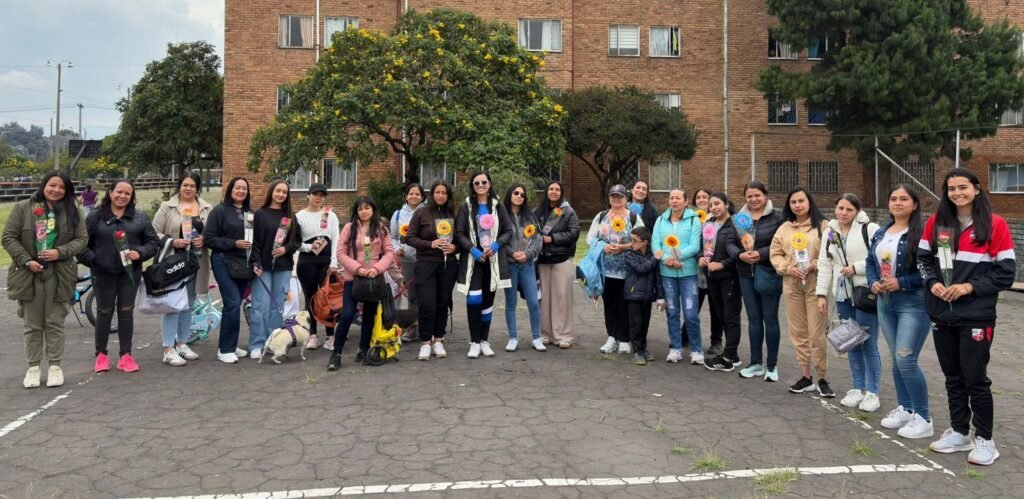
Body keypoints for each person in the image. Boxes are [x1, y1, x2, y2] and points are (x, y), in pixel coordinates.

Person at [919, 169, 1015, 465]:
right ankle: (960, 432)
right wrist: (932, 283)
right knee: (953, 377)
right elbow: (923, 260)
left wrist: (967, 287)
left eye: (963, 187)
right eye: (951, 189)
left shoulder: (995, 224)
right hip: (941, 313)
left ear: (976, 188)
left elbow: (1006, 273)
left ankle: (985, 440)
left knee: (975, 379)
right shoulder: (937, 223)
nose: (957, 193)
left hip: (976, 316)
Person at [3, 171, 87, 388]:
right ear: (44, 185)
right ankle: (33, 368)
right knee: (32, 324)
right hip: (28, 273)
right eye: (52, 185)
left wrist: (60, 252)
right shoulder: (23, 208)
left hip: (59, 274)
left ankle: (55, 367)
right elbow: (9, 237)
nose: (56, 190)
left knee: (55, 322)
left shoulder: (73, 210)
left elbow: (81, 239)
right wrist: (26, 260)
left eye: (62, 187)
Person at [866, 186, 934, 440]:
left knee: (906, 358)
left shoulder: (923, 234)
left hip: (912, 303)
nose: (897, 202)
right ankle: (906, 409)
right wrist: (873, 282)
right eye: (893, 198)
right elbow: (871, 262)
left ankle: (924, 418)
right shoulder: (881, 232)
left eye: (904, 199)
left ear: (914, 204)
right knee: (896, 358)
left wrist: (902, 282)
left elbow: (930, 269)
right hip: (885, 302)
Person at [78, 179, 160, 373]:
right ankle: (101, 355)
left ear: (132, 196)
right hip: (102, 274)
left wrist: (139, 253)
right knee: (104, 312)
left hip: (129, 274)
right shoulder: (95, 217)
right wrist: (96, 260)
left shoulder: (139, 217)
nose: (122, 196)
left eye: (127, 193)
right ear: (110, 192)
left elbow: (153, 242)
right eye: (119, 192)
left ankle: (126, 356)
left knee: (126, 311)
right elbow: (81, 247)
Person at [816, 193, 881, 410]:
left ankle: (872, 392)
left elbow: (879, 258)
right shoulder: (830, 231)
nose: (843, 213)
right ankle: (858, 388)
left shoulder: (869, 229)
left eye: (849, 209)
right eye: (840, 208)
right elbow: (825, 264)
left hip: (865, 293)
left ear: (857, 211)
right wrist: (821, 294)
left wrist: (856, 268)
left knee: (868, 342)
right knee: (851, 341)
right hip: (842, 294)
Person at [770, 187, 833, 397]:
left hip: (816, 285)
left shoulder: (824, 226)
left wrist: (814, 264)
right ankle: (806, 377)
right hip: (792, 285)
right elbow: (775, 254)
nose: (797, 205)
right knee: (798, 333)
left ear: (809, 202)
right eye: (793, 202)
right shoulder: (784, 228)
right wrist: (788, 268)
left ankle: (822, 377)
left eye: (801, 201)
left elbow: (831, 252)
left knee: (817, 334)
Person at [328, 196, 396, 370]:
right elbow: (341, 253)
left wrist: (377, 268)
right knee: (347, 315)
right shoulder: (349, 228)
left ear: (373, 210)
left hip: (373, 280)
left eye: (367, 208)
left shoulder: (381, 229)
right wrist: (357, 268)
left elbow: (389, 253)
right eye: (360, 209)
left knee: (369, 316)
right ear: (356, 211)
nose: (364, 212)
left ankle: (363, 350)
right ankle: (336, 354)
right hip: (353, 279)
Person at [152, 172, 212, 366]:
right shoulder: (167, 207)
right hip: (173, 262)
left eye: (192, 186)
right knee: (173, 304)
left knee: (188, 303)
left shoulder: (206, 208)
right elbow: (153, 231)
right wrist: (172, 241)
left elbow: (212, 233)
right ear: (179, 186)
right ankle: (168, 348)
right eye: (185, 185)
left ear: (197, 188)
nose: (188, 188)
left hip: (196, 262)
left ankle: (182, 343)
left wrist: (204, 239)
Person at [727, 181, 784, 381]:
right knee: (753, 319)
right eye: (749, 196)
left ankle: (772, 365)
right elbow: (730, 242)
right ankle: (756, 362)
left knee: (770, 319)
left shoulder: (778, 216)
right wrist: (739, 255)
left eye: (757, 195)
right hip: (745, 273)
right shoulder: (739, 219)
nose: (753, 199)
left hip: (768, 273)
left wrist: (761, 254)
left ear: (765, 195)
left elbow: (781, 243)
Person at [455, 171, 513, 359]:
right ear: (472, 186)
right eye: (477, 183)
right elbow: (459, 233)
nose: (480, 185)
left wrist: (496, 246)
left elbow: (508, 230)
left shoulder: (498, 206)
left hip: (492, 260)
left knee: (487, 302)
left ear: (490, 184)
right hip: (474, 259)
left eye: (484, 182)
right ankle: (474, 342)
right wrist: (472, 249)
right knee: (474, 299)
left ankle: (484, 341)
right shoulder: (466, 206)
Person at [405, 180, 459, 360]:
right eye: (437, 192)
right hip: (425, 264)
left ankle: (438, 340)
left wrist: (455, 248)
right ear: (432, 194)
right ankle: (425, 342)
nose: (440, 195)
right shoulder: (421, 212)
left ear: (448, 195)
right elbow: (410, 238)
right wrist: (430, 243)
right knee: (427, 304)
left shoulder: (453, 214)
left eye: (444, 192)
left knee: (443, 302)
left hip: (448, 264)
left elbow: (461, 238)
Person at [202, 176, 253, 364]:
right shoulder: (219, 211)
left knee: (235, 304)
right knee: (232, 302)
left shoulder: (249, 213)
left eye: (244, 188)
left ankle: (231, 343)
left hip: (243, 265)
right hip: (223, 261)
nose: (241, 191)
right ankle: (225, 349)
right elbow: (209, 238)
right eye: (237, 187)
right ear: (230, 190)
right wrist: (234, 243)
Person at [588, 184, 644, 355]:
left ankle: (625, 339)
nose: (616, 199)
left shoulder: (633, 217)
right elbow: (590, 238)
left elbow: (642, 239)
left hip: (627, 270)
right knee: (610, 304)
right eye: (613, 196)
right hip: (606, 270)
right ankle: (612, 336)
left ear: (626, 199)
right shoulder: (601, 216)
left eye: (620, 196)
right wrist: (603, 246)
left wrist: (624, 247)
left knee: (625, 304)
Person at [249, 179, 300, 360]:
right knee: (260, 306)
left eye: (284, 192)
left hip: (283, 267)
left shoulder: (290, 216)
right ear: (271, 191)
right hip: (262, 267)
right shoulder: (260, 214)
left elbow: (297, 241)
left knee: (277, 307)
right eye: (278, 191)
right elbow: (254, 241)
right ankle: (257, 343)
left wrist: (286, 249)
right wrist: (256, 262)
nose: (281, 194)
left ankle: (273, 343)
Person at [651, 188, 702, 364]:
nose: (674, 201)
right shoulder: (660, 220)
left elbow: (695, 246)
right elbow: (655, 245)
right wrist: (667, 260)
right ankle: (675, 348)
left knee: (691, 314)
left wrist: (675, 257)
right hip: (667, 273)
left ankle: (696, 350)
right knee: (672, 312)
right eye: (671, 198)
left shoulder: (694, 220)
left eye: (678, 198)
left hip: (689, 273)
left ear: (685, 201)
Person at [533, 181, 580, 349]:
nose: (554, 192)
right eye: (551, 189)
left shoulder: (568, 212)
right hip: (542, 261)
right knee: (544, 299)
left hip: (561, 259)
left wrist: (552, 238)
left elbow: (574, 233)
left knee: (562, 298)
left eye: (557, 189)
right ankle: (545, 333)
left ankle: (563, 335)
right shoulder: (537, 211)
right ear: (546, 191)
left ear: (561, 192)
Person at [700, 192, 743, 372]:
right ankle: (733, 354)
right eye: (711, 205)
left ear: (726, 204)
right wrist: (701, 258)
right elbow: (702, 246)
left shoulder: (736, 224)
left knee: (731, 317)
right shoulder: (708, 224)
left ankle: (727, 359)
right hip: (712, 277)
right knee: (721, 315)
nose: (714, 207)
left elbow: (742, 251)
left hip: (729, 277)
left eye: (717, 203)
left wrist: (722, 264)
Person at [295, 183, 340, 350]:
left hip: (326, 261)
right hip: (307, 262)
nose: (318, 198)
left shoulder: (330, 215)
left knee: (328, 298)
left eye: (322, 195)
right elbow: (294, 242)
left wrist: (334, 262)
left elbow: (336, 239)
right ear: (308, 195)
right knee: (311, 298)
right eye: (315, 194)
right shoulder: (299, 216)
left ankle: (330, 335)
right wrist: (309, 247)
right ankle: (313, 334)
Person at [501, 184, 542, 352]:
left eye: (522, 194)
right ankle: (512, 337)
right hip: (510, 265)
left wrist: (527, 254)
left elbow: (538, 239)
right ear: (510, 194)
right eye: (516, 193)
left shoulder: (530, 217)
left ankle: (536, 337)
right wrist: (512, 253)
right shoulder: (502, 216)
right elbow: (498, 240)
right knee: (511, 303)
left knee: (533, 301)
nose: (519, 196)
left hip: (527, 265)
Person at [686, 188, 721, 356]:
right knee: (692, 306)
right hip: (696, 271)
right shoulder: (691, 218)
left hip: (714, 270)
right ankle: (685, 335)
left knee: (716, 309)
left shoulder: (717, 219)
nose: (701, 200)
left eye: (705, 197)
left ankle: (716, 341)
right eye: (698, 197)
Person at [390, 183, 424, 342]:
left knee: (427, 295)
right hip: (407, 260)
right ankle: (413, 327)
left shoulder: (427, 212)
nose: (414, 196)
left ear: (422, 197)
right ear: (406, 196)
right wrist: (397, 249)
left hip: (426, 259)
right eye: (411, 194)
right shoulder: (398, 214)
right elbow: (393, 237)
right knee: (411, 296)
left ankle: (427, 327)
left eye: (417, 194)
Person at [623, 226, 660, 366]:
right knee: (635, 324)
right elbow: (640, 269)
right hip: (633, 295)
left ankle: (643, 348)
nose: (631, 243)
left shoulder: (651, 254)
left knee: (645, 324)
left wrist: (660, 296)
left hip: (647, 295)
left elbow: (657, 278)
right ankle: (637, 351)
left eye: (635, 240)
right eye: (631, 240)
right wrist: (655, 259)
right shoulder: (629, 254)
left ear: (645, 242)